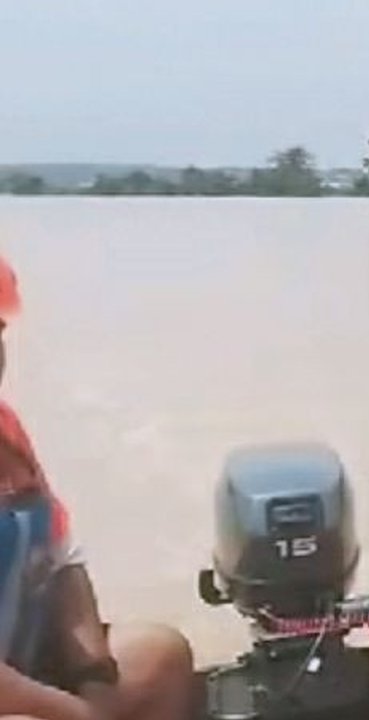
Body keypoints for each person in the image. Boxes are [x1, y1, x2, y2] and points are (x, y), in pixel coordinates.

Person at [0, 255, 194, 720]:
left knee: (158, 654)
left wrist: (94, 675)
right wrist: (76, 714)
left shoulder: (7, 431)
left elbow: (63, 561)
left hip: (19, 669)